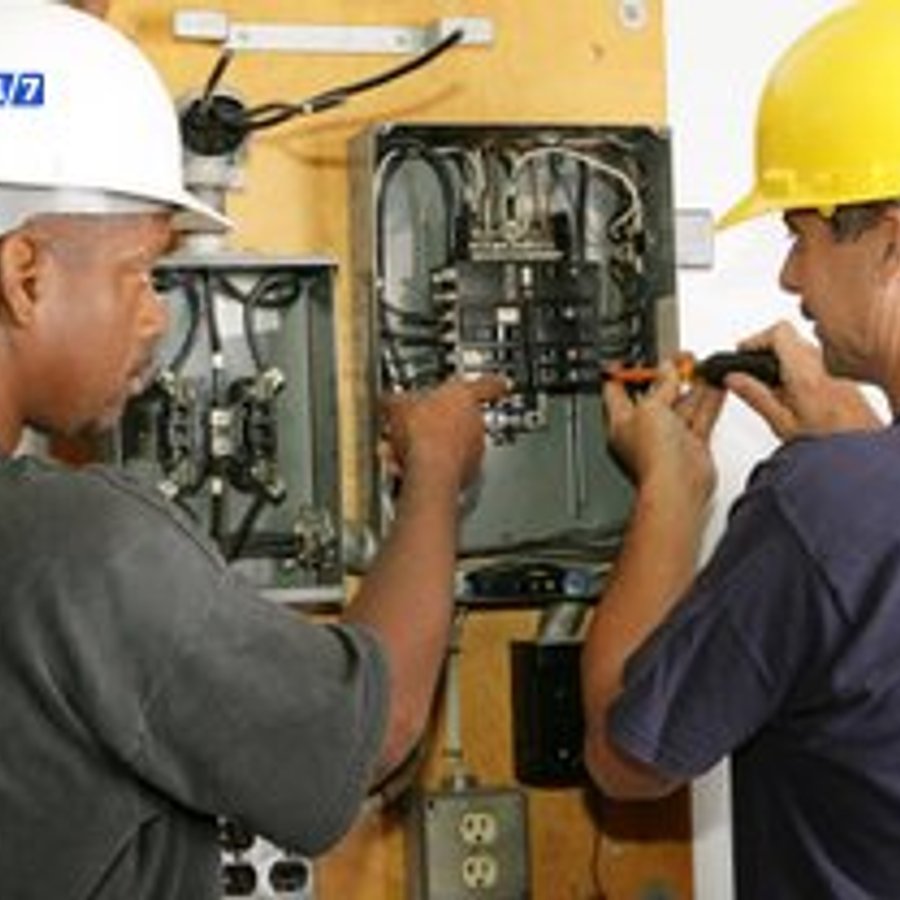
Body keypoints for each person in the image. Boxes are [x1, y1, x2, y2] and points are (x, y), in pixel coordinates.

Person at [0, 5, 505, 899]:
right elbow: (375, 735)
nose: (156, 315)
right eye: (141, 271)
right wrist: (434, 475)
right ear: (24, 275)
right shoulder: (84, 548)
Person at [581, 2, 900, 898]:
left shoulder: (825, 506)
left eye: (798, 233)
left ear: (889, 240)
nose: (792, 276)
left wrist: (669, 496)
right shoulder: (850, 497)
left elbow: (626, 758)